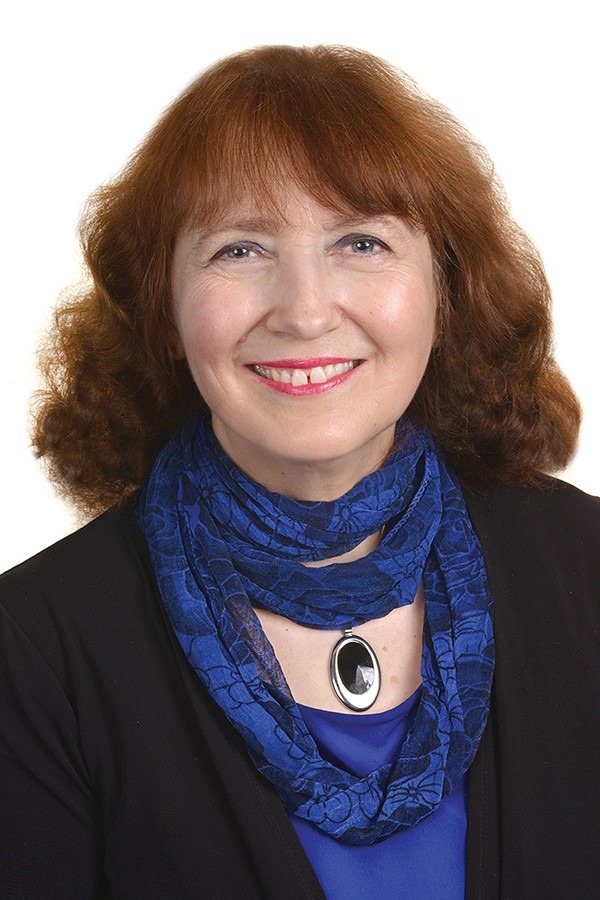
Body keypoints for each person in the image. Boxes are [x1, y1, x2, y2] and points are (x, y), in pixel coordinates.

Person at [1, 44, 598, 900]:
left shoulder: (585, 566)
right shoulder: (32, 649)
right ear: (163, 306)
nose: (307, 309)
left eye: (361, 241)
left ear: (446, 286)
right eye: (240, 250)